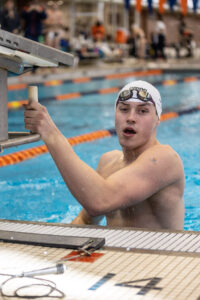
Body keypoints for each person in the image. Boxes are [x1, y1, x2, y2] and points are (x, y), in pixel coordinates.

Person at [24, 80, 185, 230]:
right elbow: (86, 220)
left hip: (160, 260)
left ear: (158, 119)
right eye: (123, 109)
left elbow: (101, 201)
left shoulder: (165, 159)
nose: (130, 118)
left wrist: (52, 135)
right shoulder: (108, 162)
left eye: (142, 111)